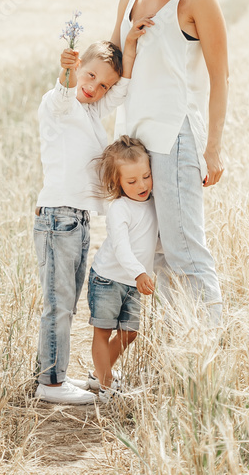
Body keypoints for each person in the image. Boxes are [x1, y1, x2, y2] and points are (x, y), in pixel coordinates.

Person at [101, 0, 229, 324]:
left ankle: (209, 352)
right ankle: (179, 348)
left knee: (184, 250)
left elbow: (220, 76)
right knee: (152, 253)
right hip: (133, 143)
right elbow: (116, 64)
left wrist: (213, 149)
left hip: (175, 137)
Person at [33, 38, 139, 404]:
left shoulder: (92, 111)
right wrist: (66, 69)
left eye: (103, 84)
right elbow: (65, 92)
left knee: (67, 303)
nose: (95, 88)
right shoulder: (58, 104)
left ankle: (56, 374)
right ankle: (49, 383)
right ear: (78, 68)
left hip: (76, 220)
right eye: (90, 76)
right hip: (59, 218)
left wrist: (134, 41)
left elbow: (120, 90)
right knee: (58, 303)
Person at [86, 136, 158, 403]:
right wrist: (140, 273)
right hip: (108, 279)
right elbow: (121, 247)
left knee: (130, 333)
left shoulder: (152, 202)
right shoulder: (119, 208)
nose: (142, 185)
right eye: (131, 181)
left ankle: (98, 374)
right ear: (117, 183)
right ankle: (106, 386)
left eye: (146, 176)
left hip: (132, 281)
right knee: (103, 331)